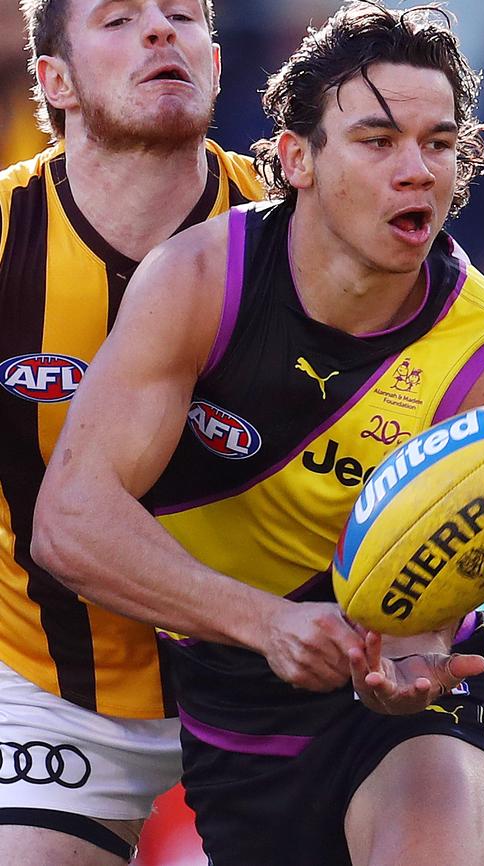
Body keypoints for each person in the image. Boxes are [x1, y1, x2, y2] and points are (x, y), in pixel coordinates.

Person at [32, 2, 484, 865]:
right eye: (376, 141)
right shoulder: (199, 279)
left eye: (439, 144)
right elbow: (69, 522)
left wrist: (416, 652)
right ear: (296, 159)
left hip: (407, 709)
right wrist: (265, 625)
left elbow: (433, 593)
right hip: (234, 695)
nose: (416, 171)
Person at [0, 0, 262, 863]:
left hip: (280, 677)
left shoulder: (304, 225)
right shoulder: (4, 235)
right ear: (55, 81)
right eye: (119, 19)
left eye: (182, 15)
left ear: (216, 64)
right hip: (45, 680)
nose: (160, 32)